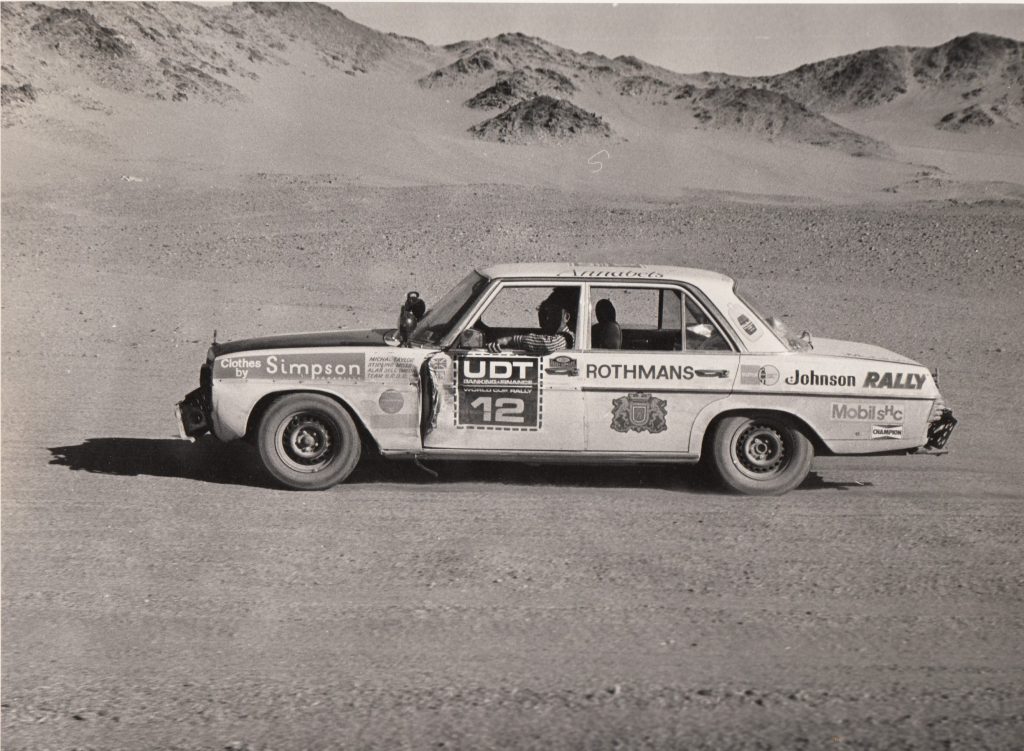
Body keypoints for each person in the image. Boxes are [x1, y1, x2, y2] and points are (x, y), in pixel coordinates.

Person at [487, 294, 575, 354]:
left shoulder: (567, 337)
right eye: (545, 313)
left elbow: (549, 344)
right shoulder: (551, 334)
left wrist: (508, 340)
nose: (547, 318)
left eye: (553, 314)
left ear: (566, 317)